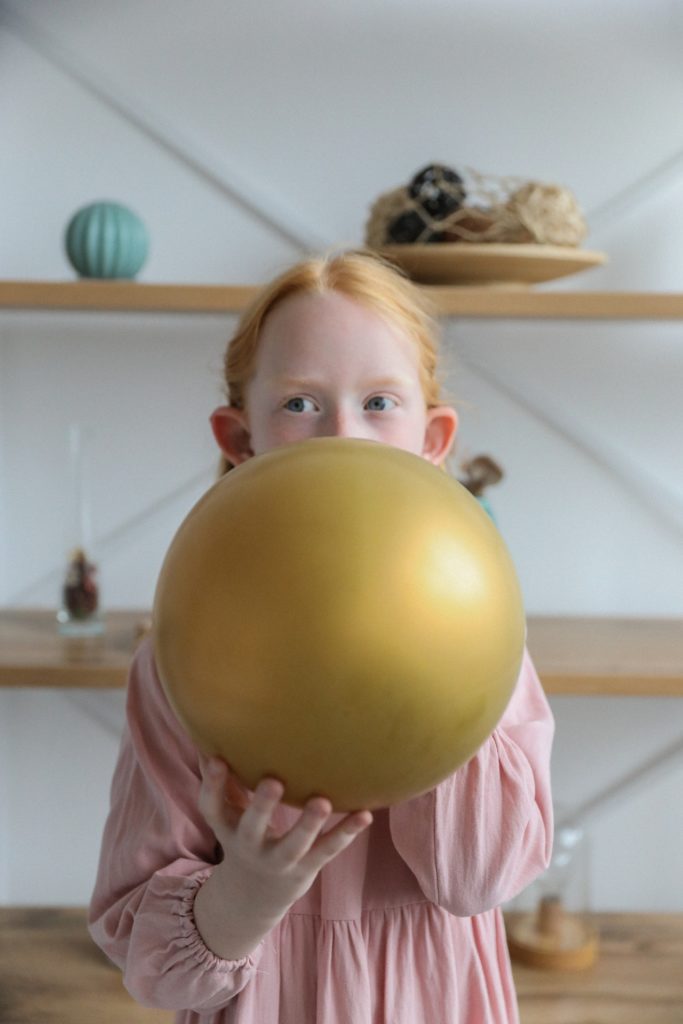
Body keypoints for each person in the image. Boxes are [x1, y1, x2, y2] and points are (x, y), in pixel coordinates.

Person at [89, 249, 554, 1024]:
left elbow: (477, 881)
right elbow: (152, 971)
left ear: (432, 439)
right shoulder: (183, 658)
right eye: (301, 405)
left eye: (379, 402)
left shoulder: (484, 640)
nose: (343, 435)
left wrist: (430, 668)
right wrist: (249, 889)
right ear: (239, 440)